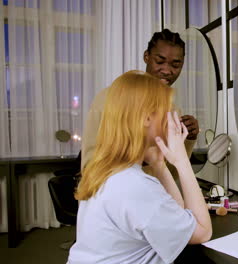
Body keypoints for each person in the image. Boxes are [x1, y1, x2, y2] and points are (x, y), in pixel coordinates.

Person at [68, 71, 212, 264]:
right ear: (146, 118)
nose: (172, 117)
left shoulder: (106, 170)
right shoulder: (135, 185)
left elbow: (176, 219)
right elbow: (202, 231)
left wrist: (158, 164)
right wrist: (181, 160)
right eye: (166, 109)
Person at [81, 29, 199, 170]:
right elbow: (89, 165)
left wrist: (189, 140)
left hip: (155, 191)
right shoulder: (108, 98)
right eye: (160, 61)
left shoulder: (173, 111)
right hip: (113, 190)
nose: (167, 70)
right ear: (146, 57)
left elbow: (174, 174)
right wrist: (141, 158)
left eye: (175, 65)